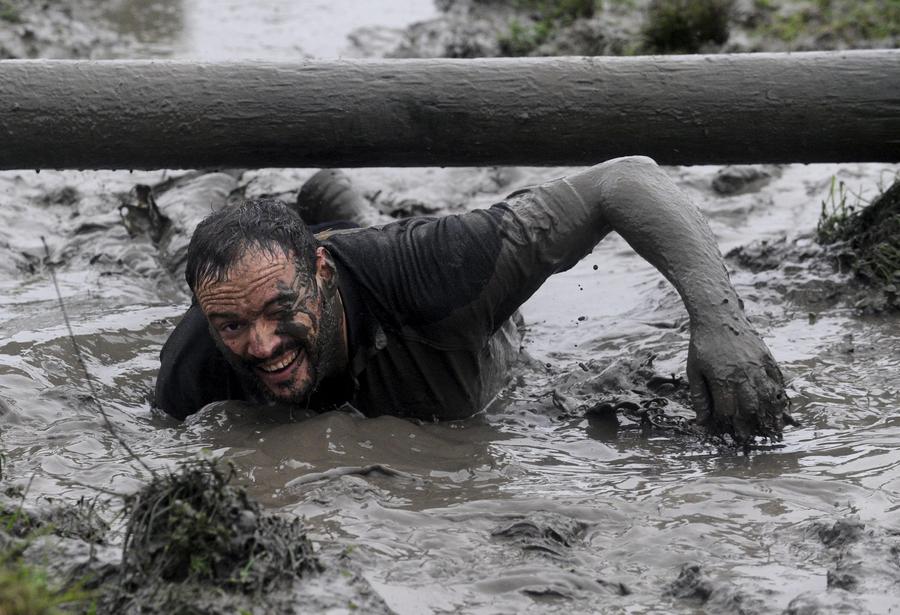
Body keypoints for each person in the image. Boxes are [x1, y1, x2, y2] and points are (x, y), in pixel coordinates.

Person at [154, 157, 790, 442]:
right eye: (232, 324)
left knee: (380, 232)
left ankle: (341, 202)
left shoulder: (440, 264)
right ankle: (305, 199)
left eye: (275, 312)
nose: (260, 345)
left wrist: (719, 323)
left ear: (319, 273)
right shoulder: (193, 366)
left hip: (441, 310)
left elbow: (625, 179)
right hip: (322, 259)